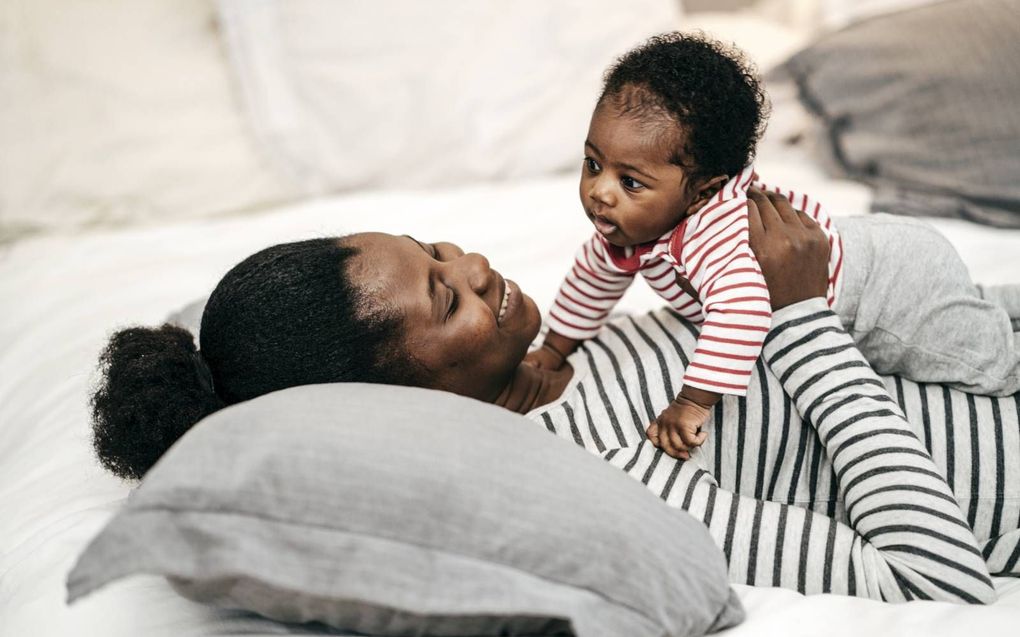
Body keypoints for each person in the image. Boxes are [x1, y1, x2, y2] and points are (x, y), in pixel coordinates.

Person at [90, 191, 1018, 604]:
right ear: (406, 404)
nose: (476, 263)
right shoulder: (617, 471)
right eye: (445, 296)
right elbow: (934, 584)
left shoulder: (580, 350)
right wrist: (801, 317)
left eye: (435, 249)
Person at [527, 32, 1020, 460]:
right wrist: (553, 349)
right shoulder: (626, 229)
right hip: (880, 253)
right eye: (593, 164)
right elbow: (592, 280)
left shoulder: (712, 235)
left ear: (701, 191)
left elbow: (740, 311)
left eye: (630, 181)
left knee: (986, 363)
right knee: (975, 305)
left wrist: (693, 402)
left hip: (886, 291)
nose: (600, 192)